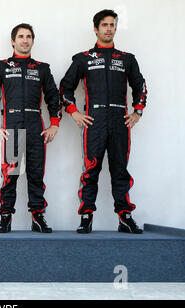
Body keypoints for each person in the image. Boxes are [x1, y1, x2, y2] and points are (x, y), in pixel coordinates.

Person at [60, 9, 147, 234]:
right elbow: (64, 88)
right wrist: (74, 112)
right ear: (96, 29)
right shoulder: (83, 58)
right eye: (104, 25)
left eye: (112, 25)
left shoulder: (127, 58)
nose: (109, 28)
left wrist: (137, 111)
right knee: (90, 170)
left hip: (120, 122)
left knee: (120, 170)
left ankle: (125, 217)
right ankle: (86, 217)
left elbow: (140, 86)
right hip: (94, 122)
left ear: (116, 28)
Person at [0, 23, 61, 233]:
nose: (25, 40)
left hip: (36, 126)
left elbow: (54, 96)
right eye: (21, 36)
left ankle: (38, 217)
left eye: (29, 37)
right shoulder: (1, 66)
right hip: (12, 125)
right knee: (11, 174)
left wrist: (54, 123)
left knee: (36, 175)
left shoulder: (42, 68)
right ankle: (5, 218)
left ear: (33, 41)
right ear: (13, 41)